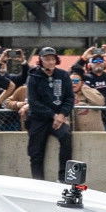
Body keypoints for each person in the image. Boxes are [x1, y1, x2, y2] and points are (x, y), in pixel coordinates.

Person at [18, 47, 73, 181]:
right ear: (41, 60)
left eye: (53, 59)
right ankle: (38, 181)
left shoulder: (63, 75)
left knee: (66, 136)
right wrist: (53, 115)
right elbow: (33, 102)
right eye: (47, 59)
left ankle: (63, 177)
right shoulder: (33, 76)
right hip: (38, 119)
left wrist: (62, 115)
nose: (50, 62)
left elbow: (69, 98)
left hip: (58, 118)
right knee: (35, 152)